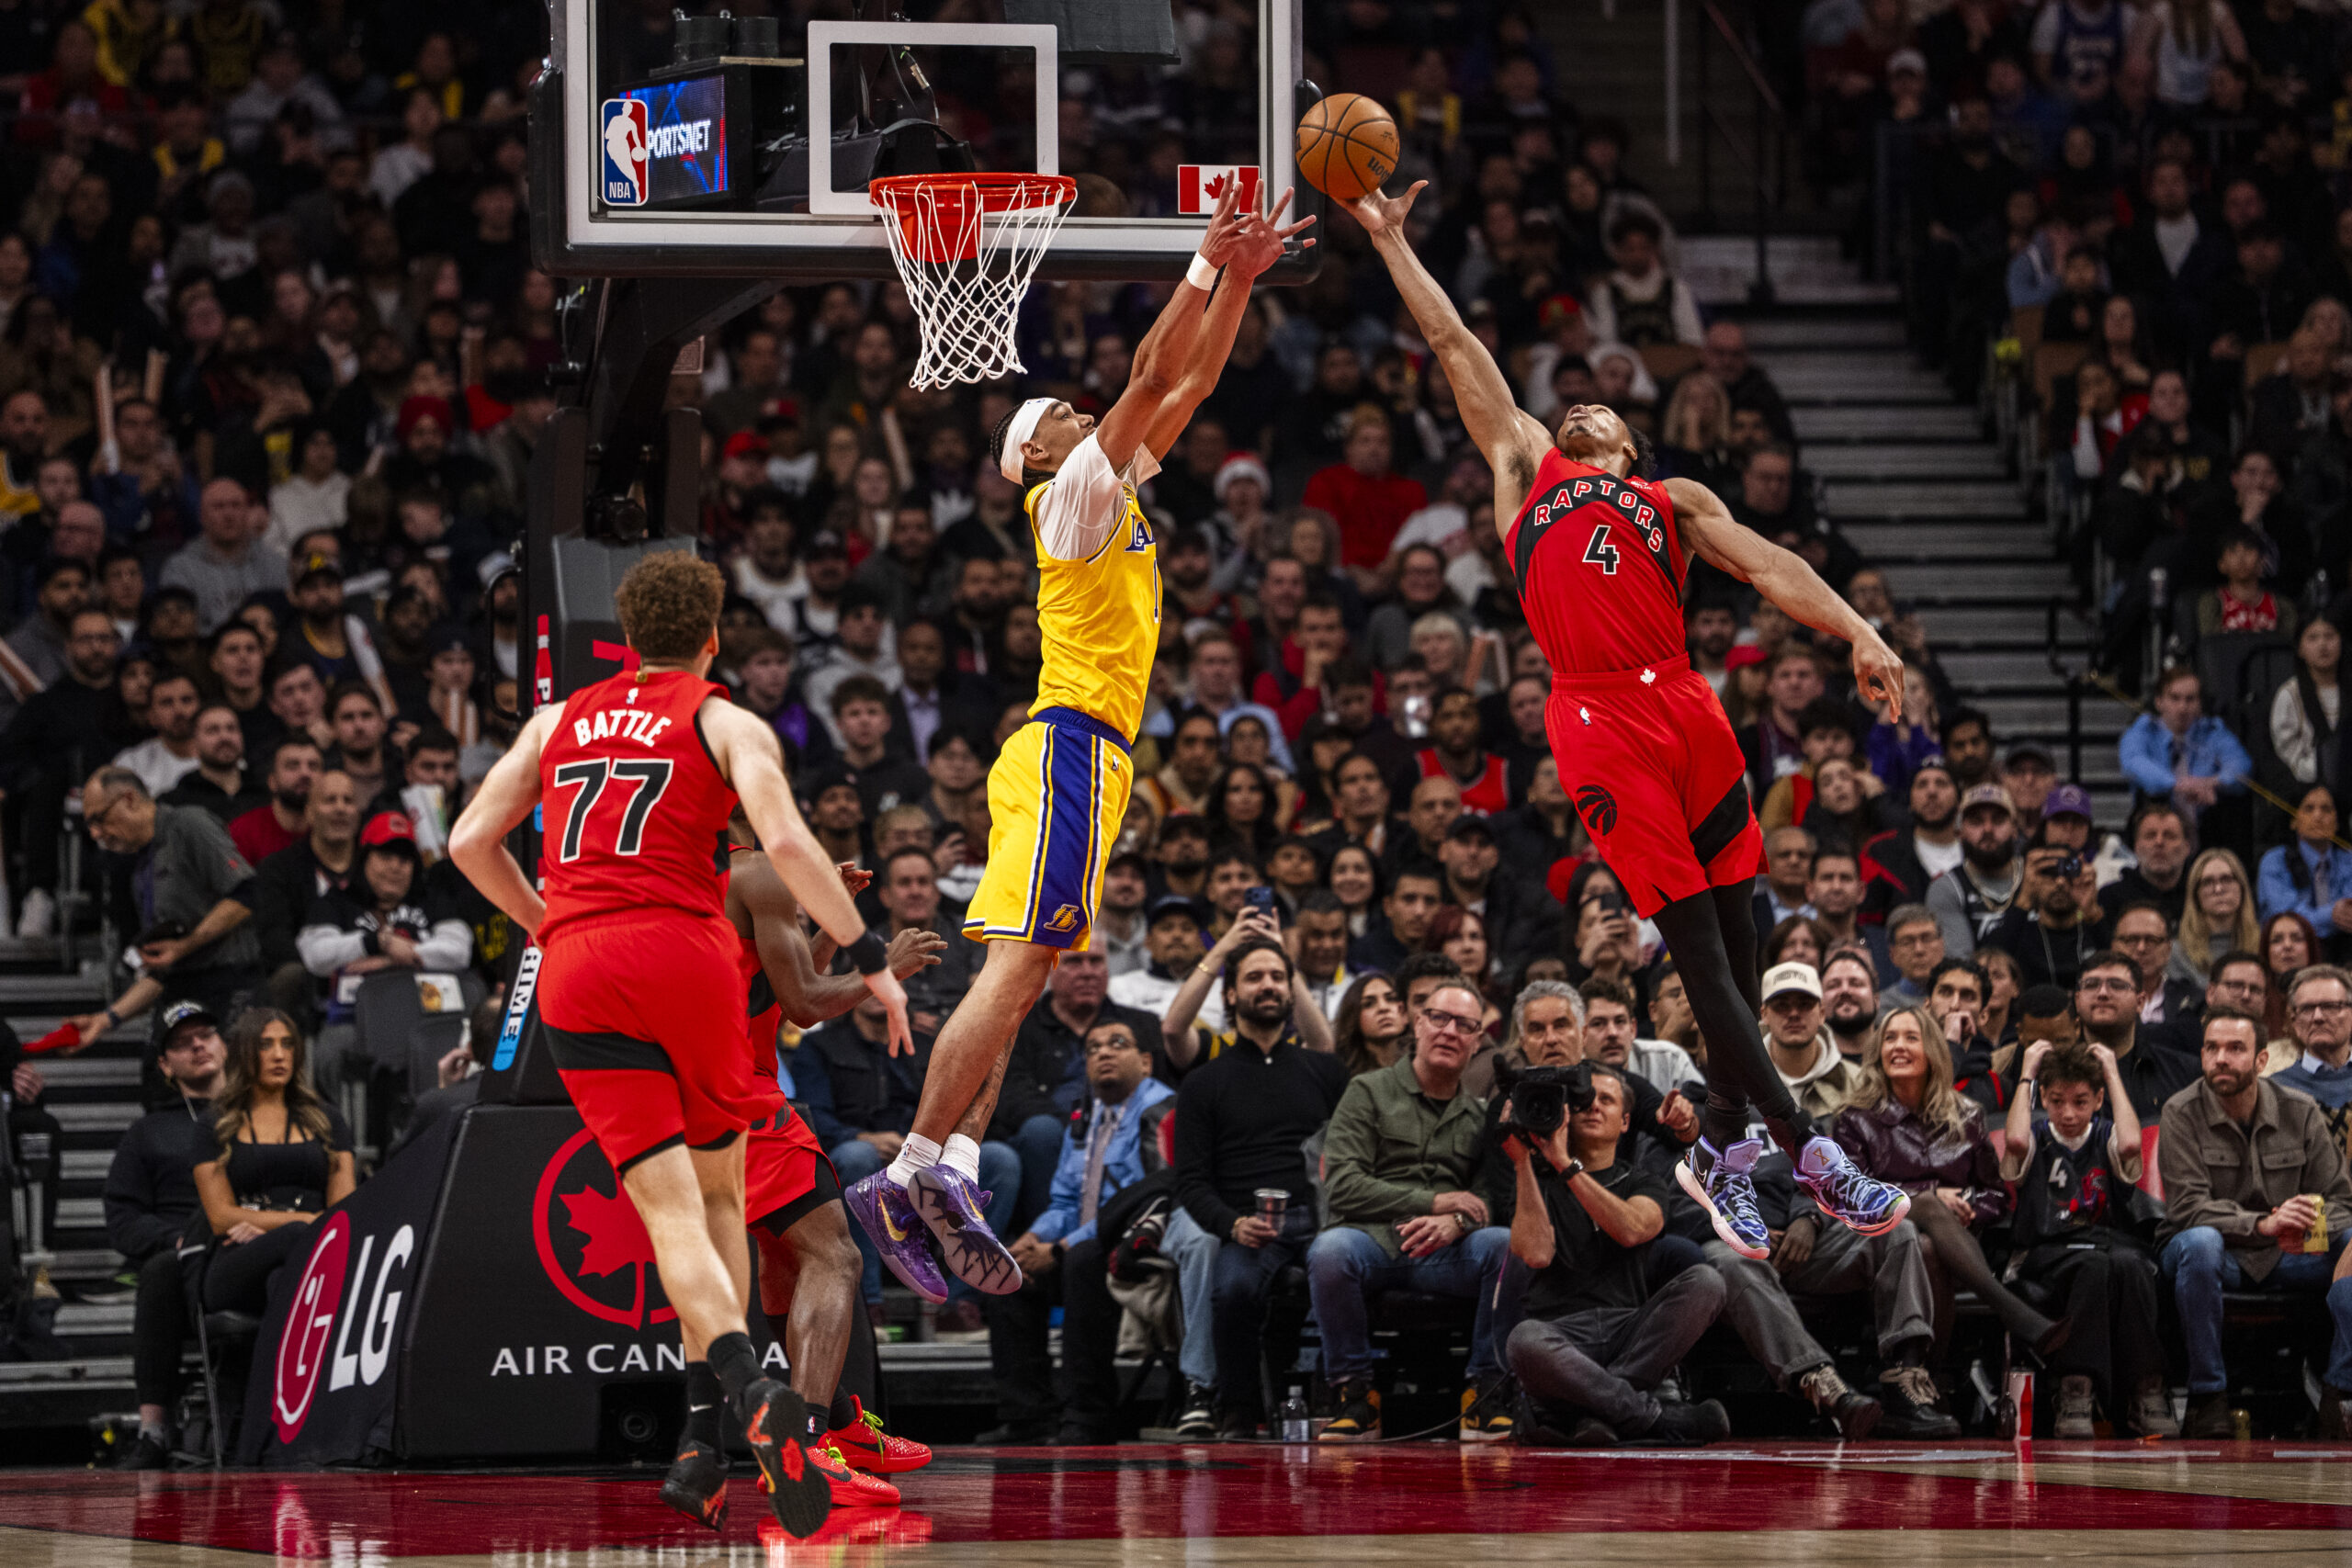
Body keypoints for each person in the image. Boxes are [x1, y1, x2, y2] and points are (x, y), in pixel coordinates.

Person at [1340, 176, 1911, 1265]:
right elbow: (1457, 344)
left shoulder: (1671, 501)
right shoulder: (1527, 468)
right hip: (1596, 715)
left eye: (1596, 413)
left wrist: (1857, 631)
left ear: (1629, 448)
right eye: (1569, 409)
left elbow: (1771, 562)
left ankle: (1726, 1150)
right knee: (1696, 943)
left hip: (1685, 699)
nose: (1575, 411)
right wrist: (1392, 241)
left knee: (1744, 930)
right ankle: (1804, 1147)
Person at [843, 190, 1309, 1293]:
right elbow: (1151, 378)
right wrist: (1201, 264)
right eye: (1058, 411)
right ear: (1041, 452)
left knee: (1024, 969)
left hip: (1066, 753)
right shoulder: (1071, 499)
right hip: (1069, 749)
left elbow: (1188, 384)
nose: (1077, 410)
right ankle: (908, 1167)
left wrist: (1241, 283)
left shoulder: (1108, 490)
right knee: (1014, 977)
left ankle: (951, 1158)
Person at [447, 552, 908, 1539]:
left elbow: (466, 843)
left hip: (579, 963)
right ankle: (739, 1406)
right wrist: (870, 959)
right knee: (721, 1202)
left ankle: (712, 1426)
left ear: (620, 637)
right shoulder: (722, 718)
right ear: (711, 635)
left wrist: (544, 924)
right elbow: (785, 844)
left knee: (667, 1221)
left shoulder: (554, 721)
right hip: (683, 958)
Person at [1309, 976, 1513, 1443]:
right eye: (1438, 1018)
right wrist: (1435, 1201)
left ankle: (1484, 1391)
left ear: (1477, 1041)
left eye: (1464, 1025)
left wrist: (1458, 1221)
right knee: (1329, 1251)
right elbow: (1341, 1186)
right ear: (1417, 1024)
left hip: (1444, 1253)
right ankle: (1355, 1396)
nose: (1449, 1031)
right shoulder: (1368, 1090)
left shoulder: (1480, 1114)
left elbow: (1487, 1197)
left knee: (1504, 1245)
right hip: (1371, 1244)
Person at [1501, 1061, 1732, 1446]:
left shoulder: (1641, 1180)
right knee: (1524, 1339)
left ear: (1625, 1122)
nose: (1593, 1107)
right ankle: (1651, 1418)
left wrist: (1564, 1163)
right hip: (1562, 1334)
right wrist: (1525, 1162)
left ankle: (1590, 1411)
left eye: (1605, 1100)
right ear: (1566, 1117)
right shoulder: (1534, 1178)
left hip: (1629, 1330)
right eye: (1586, 1101)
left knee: (1708, 1281)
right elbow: (1536, 1254)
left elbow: (1632, 1230)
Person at [1173, 934, 1349, 1438]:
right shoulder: (1204, 1082)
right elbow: (1190, 1181)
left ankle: (1351, 1402)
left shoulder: (1326, 1071)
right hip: (1247, 1223)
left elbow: (1353, 1157)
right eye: (1254, 976)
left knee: (1352, 1266)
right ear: (1230, 995)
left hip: (1321, 1220)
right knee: (1233, 1290)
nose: (1268, 985)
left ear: (1293, 991)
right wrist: (1231, 1224)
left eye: (1278, 976)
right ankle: (1238, 1412)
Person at [2159, 1005, 2352, 1438]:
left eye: (2235, 1048)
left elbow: (2341, 1200)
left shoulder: (2300, 1110)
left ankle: (2340, 1395)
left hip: (2290, 1254)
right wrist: (2264, 1223)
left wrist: (2308, 1224)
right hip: (2215, 1255)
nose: (2220, 1059)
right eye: (2211, 1048)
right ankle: (2207, 1397)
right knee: (2201, 1241)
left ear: (2262, 1060)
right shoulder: (2180, 1110)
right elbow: (2187, 1207)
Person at [1836, 1006, 2069, 1357]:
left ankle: (1924, 1381)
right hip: (1885, 1246)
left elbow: (1995, 1193)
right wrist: (1929, 1198)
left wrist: (1968, 1209)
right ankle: (2008, 1313)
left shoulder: (1967, 1114)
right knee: (1927, 1221)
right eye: (1889, 1038)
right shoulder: (1855, 1119)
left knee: (1932, 1244)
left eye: (1911, 1038)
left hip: (1961, 1248)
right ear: (1877, 1053)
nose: (1898, 1046)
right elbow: (1852, 1196)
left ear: (1932, 1050)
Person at [2001, 1037, 2175, 1438]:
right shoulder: (2034, 1136)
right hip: (2045, 1250)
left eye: (2080, 1101)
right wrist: (2027, 1072)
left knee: (2132, 1265)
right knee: (2095, 1266)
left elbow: (2133, 1144)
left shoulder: (2107, 1134)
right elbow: (2013, 1142)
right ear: (2043, 1098)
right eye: (2058, 1101)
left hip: (2104, 1242)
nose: (2068, 1113)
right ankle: (2075, 1388)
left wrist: (2112, 1071)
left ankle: (2147, 1388)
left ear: (2098, 1100)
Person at [103, 1001, 224, 1468]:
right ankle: (153, 1430)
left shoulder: (263, 1118)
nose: (197, 1045)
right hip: (183, 1261)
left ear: (225, 1044)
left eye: (205, 1034)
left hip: (254, 1244)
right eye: (180, 1042)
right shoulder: (148, 1133)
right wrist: (176, 1241)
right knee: (158, 1271)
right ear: (164, 1064)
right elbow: (122, 1217)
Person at [65, 768, 262, 1043]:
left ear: (129, 799)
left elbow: (247, 893)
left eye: (100, 818)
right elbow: (163, 968)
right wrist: (105, 1019)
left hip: (228, 982)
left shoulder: (189, 824)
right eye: (90, 825)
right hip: (181, 988)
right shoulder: (141, 867)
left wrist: (187, 944)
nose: (97, 833)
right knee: (156, 1072)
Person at [191, 1010, 355, 1319]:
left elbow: (343, 1212)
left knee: (281, 1280)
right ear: (244, 1053)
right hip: (238, 1258)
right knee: (293, 1239)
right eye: (266, 1045)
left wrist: (271, 1223)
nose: (279, 1055)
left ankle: (280, 1368)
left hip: (313, 1253)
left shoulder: (328, 1119)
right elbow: (221, 1218)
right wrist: (304, 1222)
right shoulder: (214, 1122)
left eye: (287, 1044)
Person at [2257, 784, 2352, 941]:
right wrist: (2331, 915)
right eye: (2308, 809)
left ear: (2337, 823)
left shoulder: (2348, 859)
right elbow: (2287, 919)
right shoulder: (2274, 861)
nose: (2318, 816)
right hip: (2291, 949)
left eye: (2326, 809)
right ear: (2293, 821)